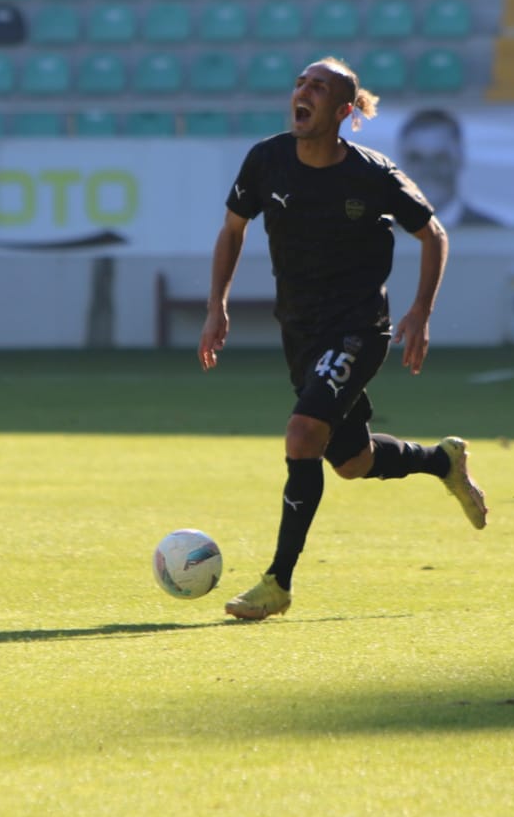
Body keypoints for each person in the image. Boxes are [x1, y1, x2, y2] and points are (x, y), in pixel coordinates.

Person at [198, 57, 488, 622]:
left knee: (302, 433)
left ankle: (277, 582)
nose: (302, 92)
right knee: (352, 461)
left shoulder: (372, 175)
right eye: (300, 83)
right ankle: (442, 461)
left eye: (318, 87)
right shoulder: (266, 160)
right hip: (300, 332)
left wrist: (420, 311)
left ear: (343, 110)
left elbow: (433, 233)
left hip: (358, 328)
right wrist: (217, 306)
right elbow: (232, 230)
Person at [396, 108, 500, 228]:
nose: (429, 169)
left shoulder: (493, 232)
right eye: (416, 159)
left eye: (440, 158)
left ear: (460, 159)